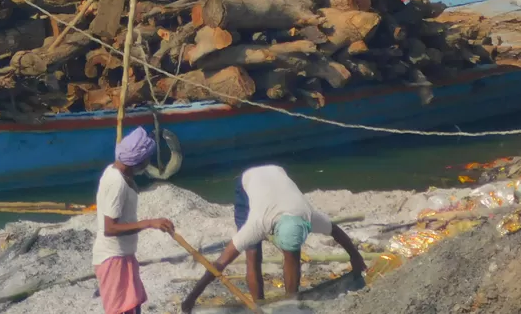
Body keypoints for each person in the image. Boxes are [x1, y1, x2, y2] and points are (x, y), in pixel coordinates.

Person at [180, 165, 365, 310]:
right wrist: (192, 297)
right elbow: (220, 263)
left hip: (279, 176)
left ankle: (291, 300)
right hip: (249, 183)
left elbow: (337, 232)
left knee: (292, 254)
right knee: (253, 256)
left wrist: (356, 257)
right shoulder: (257, 224)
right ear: (273, 233)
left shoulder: (308, 215)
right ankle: (258, 304)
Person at [95, 128, 174, 314]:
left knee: (133, 304)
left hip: (124, 255)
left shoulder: (119, 173)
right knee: (123, 309)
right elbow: (110, 228)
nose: (148, 163)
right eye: (147, 159)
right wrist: (148, 223)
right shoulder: (116, 183)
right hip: (113, 257)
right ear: (138, 161)